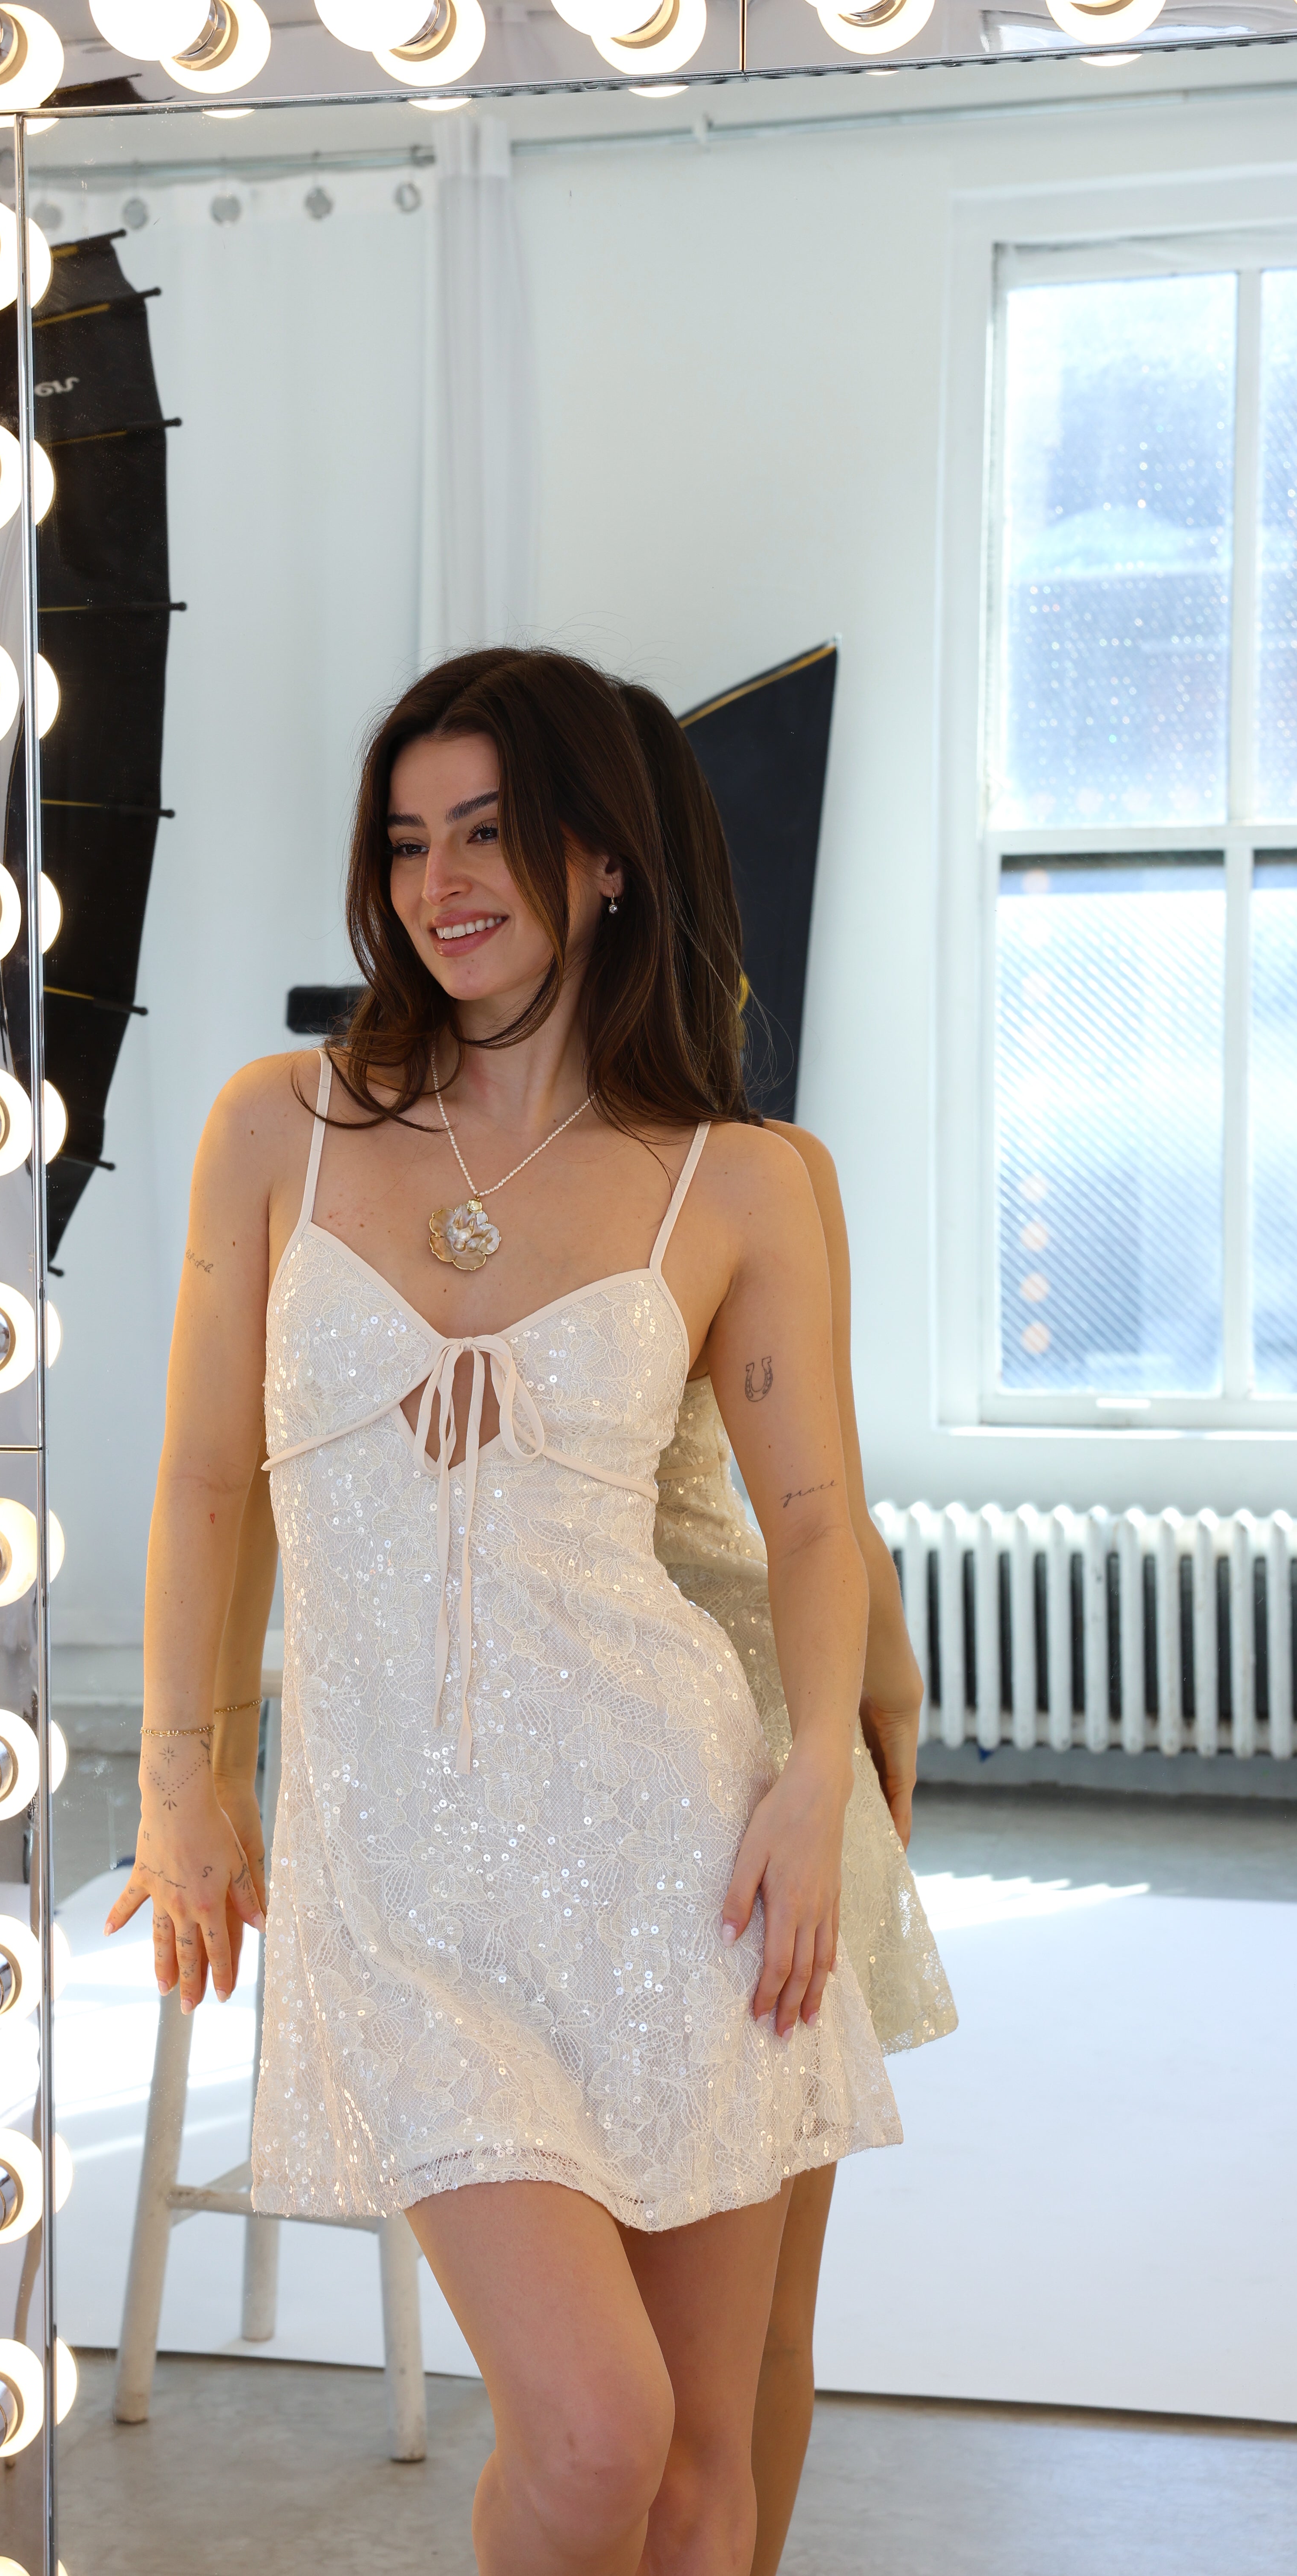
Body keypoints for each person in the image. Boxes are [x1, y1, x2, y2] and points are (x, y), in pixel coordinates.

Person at [107, 647, 900, 2576]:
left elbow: (813, 1520)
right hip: (400, 1867)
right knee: (590, 2438)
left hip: (677, 1848)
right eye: (405, 840)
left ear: (602, 859)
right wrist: (183, 1781)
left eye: (489, 830)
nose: (438, 879)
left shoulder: (741, 1177)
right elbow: (208, 1483)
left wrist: (814, 1779)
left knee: (701, 2473)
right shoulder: (277, 1127)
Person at [621, 681, 956, 2575]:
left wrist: (870, 1726)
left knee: (749, 2321)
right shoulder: (463, 1166)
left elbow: (811, 1502)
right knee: (637, 2347)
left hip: (758, 1736)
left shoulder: (758, 1167)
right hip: (603, 1742)